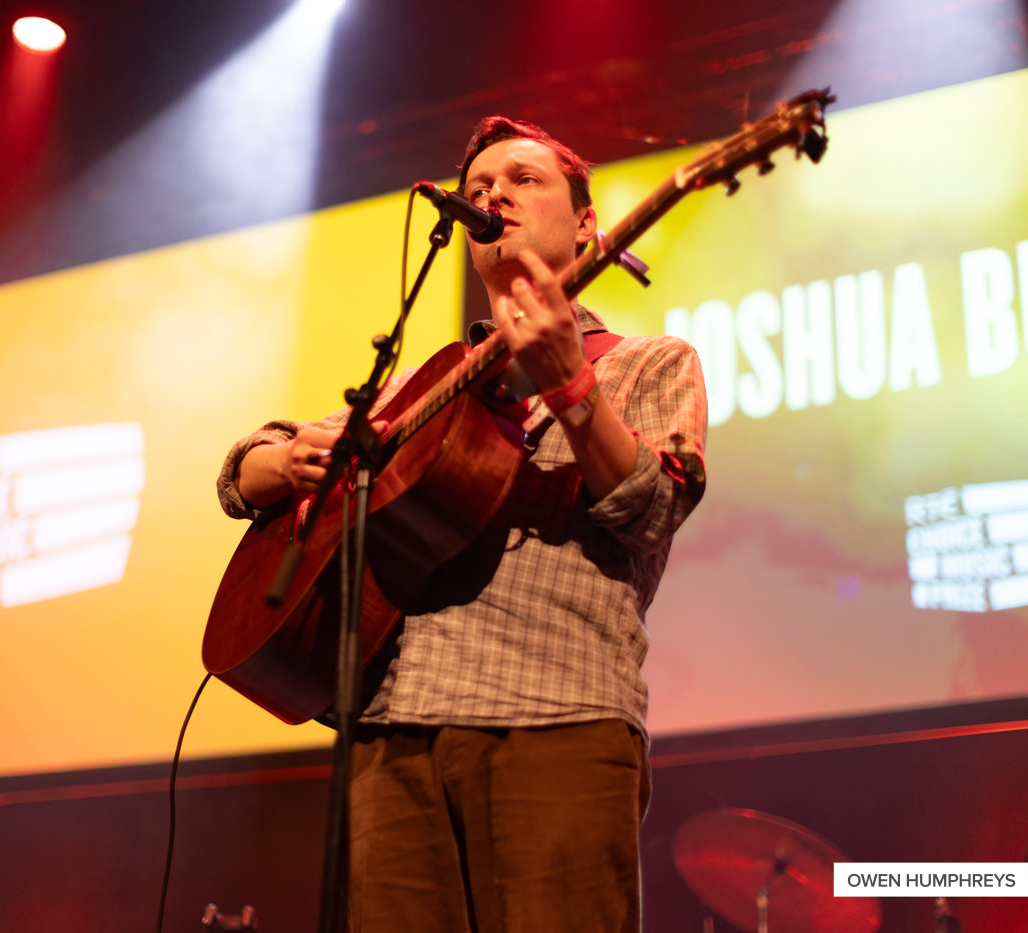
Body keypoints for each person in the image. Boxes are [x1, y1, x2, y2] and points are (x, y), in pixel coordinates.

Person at [216, 116, 707, 932]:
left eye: (522, 180)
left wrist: (570, 388)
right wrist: (284, 459)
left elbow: (651, 508)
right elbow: (241, 470)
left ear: (587, 223)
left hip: (558, 719)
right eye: (478, 188)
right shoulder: (419, 383)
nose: (492, 197)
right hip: (391, 734)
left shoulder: (646, 360)